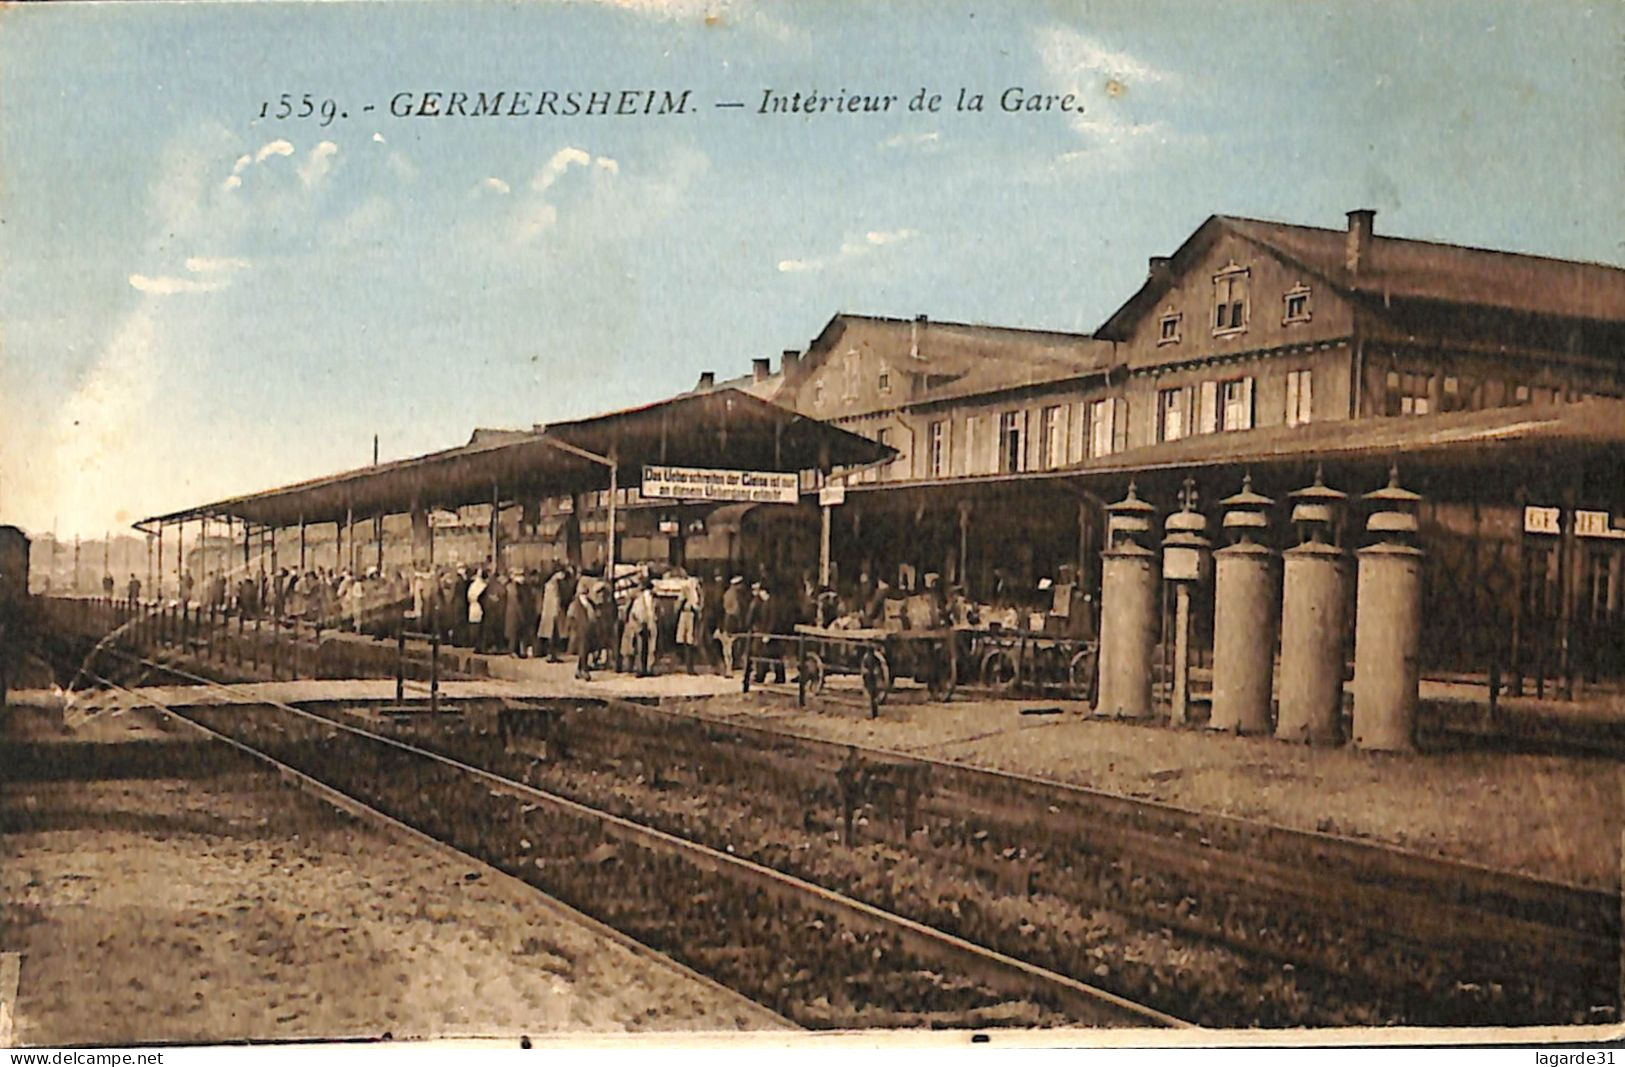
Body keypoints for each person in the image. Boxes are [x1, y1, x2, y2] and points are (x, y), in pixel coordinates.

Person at [627, 576, 660, 677]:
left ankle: (648, 668)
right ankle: (641, 668)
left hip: (650, 621)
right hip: (641, 623)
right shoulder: (638, 598)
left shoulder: (653, 598)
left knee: (650, 646)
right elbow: (634, 613)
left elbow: (658, 611)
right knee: (641, 647)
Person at [566, 576, 598, 680]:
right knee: (583, 650)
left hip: (588, 630)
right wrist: (572, 629)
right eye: (583, 593)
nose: (584, 595)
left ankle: (579, 670)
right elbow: (570, 618)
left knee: (585, 651)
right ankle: (584, 670)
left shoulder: (589, 603)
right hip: (579, 631)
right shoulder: (575, 605)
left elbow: (593, 615)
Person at [674, 573, 703, 675]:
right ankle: (688, 666)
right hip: (687, 615)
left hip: (690, 615)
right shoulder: (688, 588)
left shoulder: (693, 588)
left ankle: (690, 666)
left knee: (690, 641)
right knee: (687, 641)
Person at [720, 575, 747, 676]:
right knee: (729, 645)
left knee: (731, 645)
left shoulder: (729, 593)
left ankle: (731, 666)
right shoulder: (733, 595)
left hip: (731, 619)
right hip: (732, 620)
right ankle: (729, 669)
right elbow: (735, 610)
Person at [538, 566, 566, 662]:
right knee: (552, 635)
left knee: (553, 635)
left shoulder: (552, 584)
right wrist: (557, 610)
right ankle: (551, 655)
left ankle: (552, 655)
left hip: (550, 612)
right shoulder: (552, 585)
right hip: (551, 613)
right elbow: (555, 600)